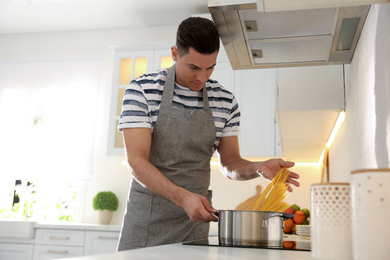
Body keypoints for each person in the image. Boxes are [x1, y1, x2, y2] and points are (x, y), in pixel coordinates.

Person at [117, 16, 300, 251]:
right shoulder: (142, 90)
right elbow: (136, 161)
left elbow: (230, 163)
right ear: (175, 53)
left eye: (210, 68)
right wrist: (184, 198)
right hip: (145, 225)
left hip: (194, 224)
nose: (202, 78)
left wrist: (257, 167)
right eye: (193, 67)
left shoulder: (225, 101)